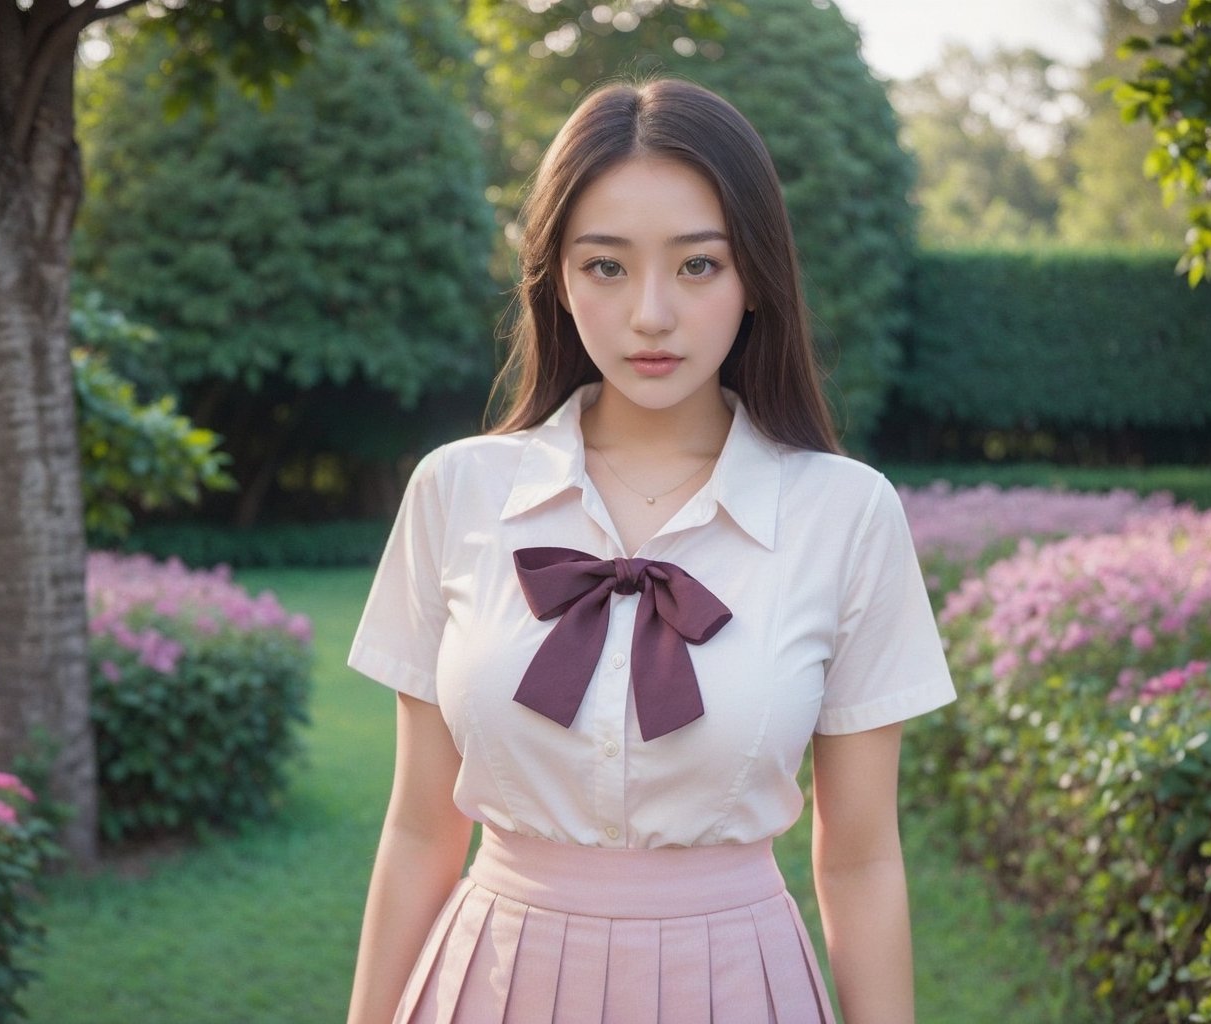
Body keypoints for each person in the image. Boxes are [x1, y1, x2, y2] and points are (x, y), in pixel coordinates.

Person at [345, 77, 955, 1024]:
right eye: (606, 267)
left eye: (698, 266)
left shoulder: (846, 514)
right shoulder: (458, 491)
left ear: (755, 274)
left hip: (737, 986)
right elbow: (422, 828)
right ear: (555, 277)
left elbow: (863, 856)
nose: (652, 315)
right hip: (494, 980)